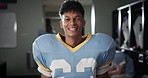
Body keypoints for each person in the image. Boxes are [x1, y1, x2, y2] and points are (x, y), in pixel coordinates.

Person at [32, 0, 116, 78]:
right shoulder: (45, 45)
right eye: (67, 19)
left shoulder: (101, 44)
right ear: (61, 24)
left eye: (77, 19)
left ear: (83, 23)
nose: (72, 23)